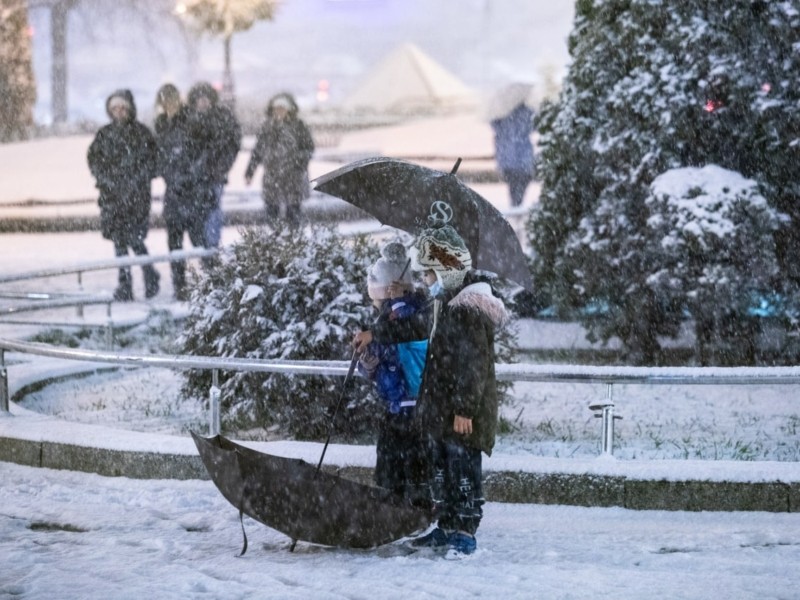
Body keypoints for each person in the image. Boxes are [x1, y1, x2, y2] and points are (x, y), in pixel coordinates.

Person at [407, 223, 509, 558]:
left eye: (429, 274)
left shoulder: (465, 308)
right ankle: (448, 523)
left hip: (461, 413)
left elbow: (473, 363)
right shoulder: (448, 303)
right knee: (444, 469)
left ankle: (465, 527)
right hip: (443, 409)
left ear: (446, 272)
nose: (425, 282)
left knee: (463, 468)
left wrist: (465, 408)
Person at [356, 242, 429, 505]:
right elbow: (376, 367)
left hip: (412, 404)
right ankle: (393, 503)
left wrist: (400, 298)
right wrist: (368, 363)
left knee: (411, 461)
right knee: (390, 461)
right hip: (393, 404)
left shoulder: (410, 312)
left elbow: (410, 333)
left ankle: (413, 506)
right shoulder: (384, 319)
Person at [87, 89, 159, 302]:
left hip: (136, 197)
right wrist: (106, 180)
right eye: (115, 108)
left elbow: (152, 163)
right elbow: (94, 160)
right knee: (119, 242)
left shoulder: (142, 133)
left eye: (122, 108)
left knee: (135, 240)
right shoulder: (104, 134)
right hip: (112, 197)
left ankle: (149, 275)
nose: (119, 112)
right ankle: (125, 283)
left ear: (129, 109)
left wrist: (136, 181)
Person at [154, 83, 211, 301]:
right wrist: (167, 172)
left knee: (198, 239)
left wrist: (190, 175)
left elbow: (201, 151)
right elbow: (160, 155)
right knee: (175, 242)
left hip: (191, 190)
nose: (170, 104)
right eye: (166, 100)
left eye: (172, 99)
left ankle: (212, 279)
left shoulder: (191, 122)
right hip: (173, 191)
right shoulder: (162, 125)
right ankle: (180, 285)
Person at [244, 93, 315, 229]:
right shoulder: (266, 127)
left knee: (293, 214)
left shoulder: (299, 126)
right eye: (277, 108)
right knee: (271, 213)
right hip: (272, 176)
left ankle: (292, 242)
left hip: (293, 177)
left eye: (282, 108)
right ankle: (274, 241)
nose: (279, 112)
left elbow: (308, 149)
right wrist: (249, 172)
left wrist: (298, 163)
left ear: (289, 110)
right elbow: (257, 151)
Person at [185, 82, 241, 248]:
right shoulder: (189, 119)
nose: (203, 102)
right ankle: (202, 246)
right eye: (199, 99)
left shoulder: (222, 117)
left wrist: (221, 166)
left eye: (205, 98)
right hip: (194, 176)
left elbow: (233, 143)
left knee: (213, 211)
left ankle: (211, 248)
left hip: (215, 175)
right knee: (197, 212)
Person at [490, 100, 535, 208]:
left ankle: (516, 207)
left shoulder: (501, 111)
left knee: (514, 185)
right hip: (523, 158)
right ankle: (517, 207)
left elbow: (494, 125)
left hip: (508, 157)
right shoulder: (527, 110)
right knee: (519, 185)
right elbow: (534, 126)